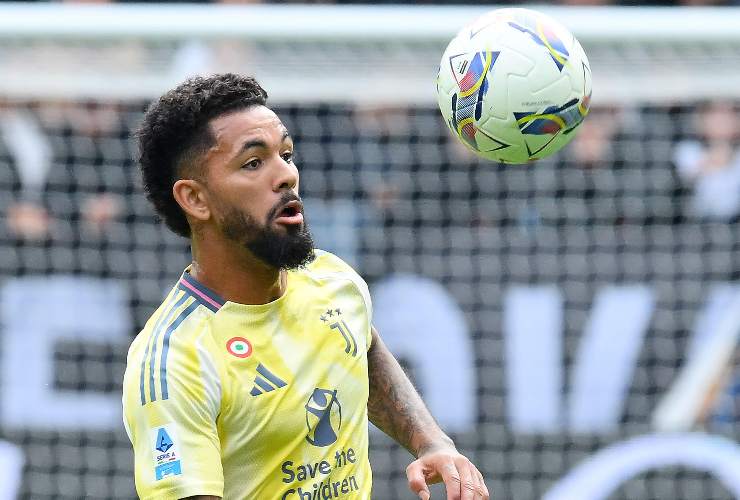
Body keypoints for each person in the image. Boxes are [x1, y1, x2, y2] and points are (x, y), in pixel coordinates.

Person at [121, 73, 489, 500]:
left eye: (286, 154)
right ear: (195, 199)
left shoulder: (332, 280)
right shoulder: (173, 361)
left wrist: (431, 442)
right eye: (253, 163)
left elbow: (361, 348)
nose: (286, 175)